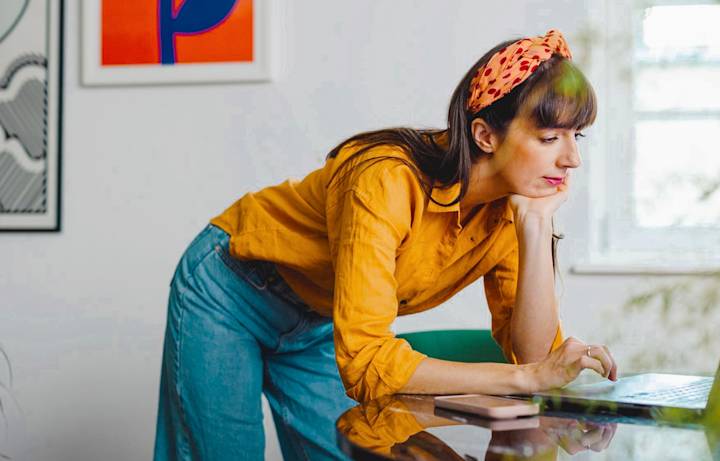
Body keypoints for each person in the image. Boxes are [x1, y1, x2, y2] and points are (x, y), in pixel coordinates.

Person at [153, 28, 618, 461]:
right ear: (485, 135)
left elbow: (535, 359)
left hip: (320, 318)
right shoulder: (385, 180)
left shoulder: (511, 206)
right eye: (549, 137)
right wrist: (521, 378)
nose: (572, 158)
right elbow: (368, 361)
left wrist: (535, 226)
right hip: (232, 289)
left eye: (577, 136)